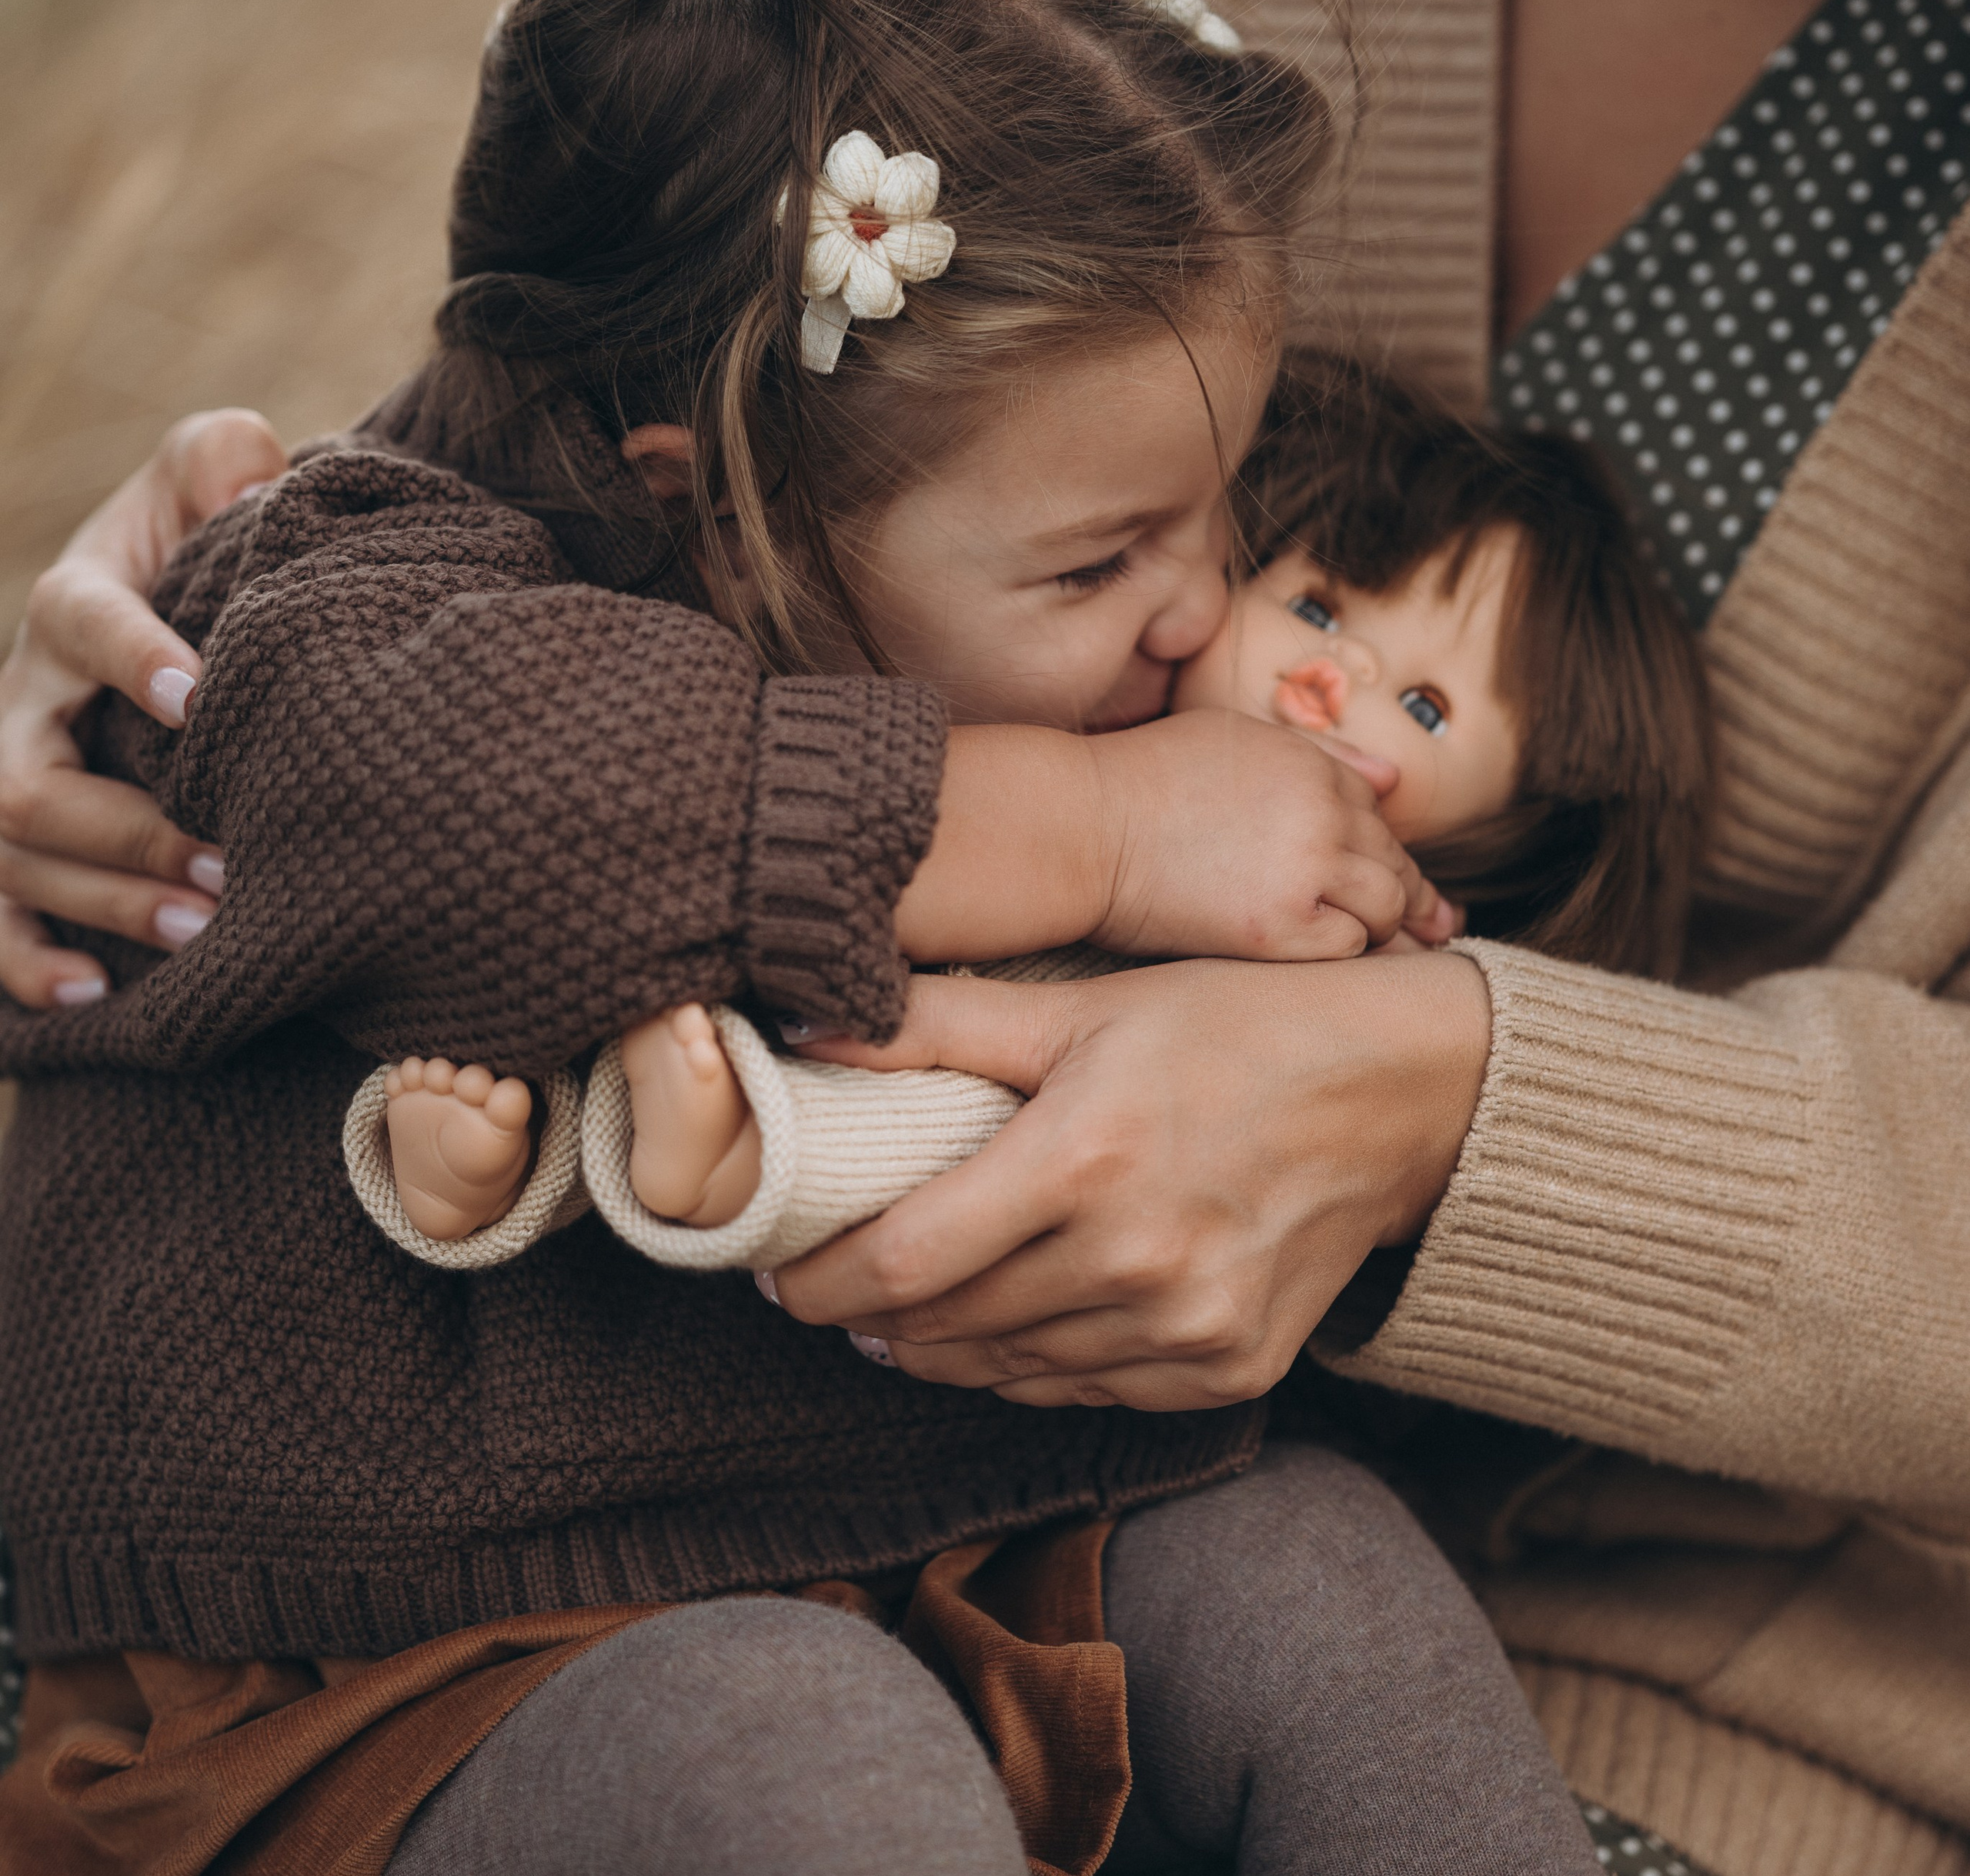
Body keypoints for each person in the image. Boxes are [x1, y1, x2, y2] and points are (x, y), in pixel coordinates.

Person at [8, 0, 1970, 1876]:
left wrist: (1453, 1092)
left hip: (1424, 1619)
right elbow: (482, 492)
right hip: (379, 1674)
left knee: (1280, 1600)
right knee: (788, 1816)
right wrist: (150, 658)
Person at [361, 357, 1709, 1262]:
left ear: (1498, 838)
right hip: (741, 963)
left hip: (950, 1129)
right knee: (570, 1016)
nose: (1333, 674)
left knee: (977, 1123)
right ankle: (490, 1173)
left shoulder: (1366, 956)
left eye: (1420, 709)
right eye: (1314, 605)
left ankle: (724, 1170)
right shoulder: (1066, 699)